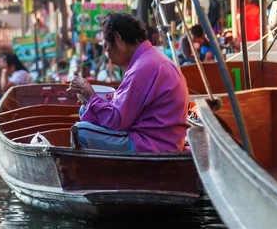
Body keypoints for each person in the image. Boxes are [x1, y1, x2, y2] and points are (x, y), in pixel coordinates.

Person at [67, 12, 189, 153]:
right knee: (85, 111)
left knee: (81, 132)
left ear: (118, 39)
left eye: (106, 45)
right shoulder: (149, 59)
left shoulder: (145, 66)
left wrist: (89, 94)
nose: (106, 53)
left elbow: (117, 122)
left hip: (152, 144)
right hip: (161, 141)